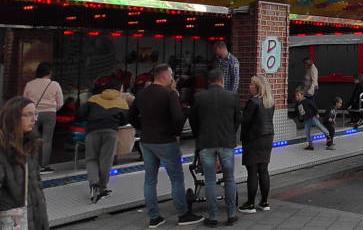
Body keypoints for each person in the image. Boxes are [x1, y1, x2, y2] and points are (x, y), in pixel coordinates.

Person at [129, 63, 203, 228]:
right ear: (163, 76)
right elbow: (178, 117)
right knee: (176, 179)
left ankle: (154, 217)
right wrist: (175, 133)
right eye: (170, 74)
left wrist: (143, 128)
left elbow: (131, 116)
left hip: (146, 141)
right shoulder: (169, 94)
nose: (172, 77)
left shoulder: (141, 94)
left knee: (150, 180)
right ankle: (183, 214)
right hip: (166, 141)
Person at [190, 69, 241, 227]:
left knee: (210, 180)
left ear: (209, 82)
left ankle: (213, 217)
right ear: (222, 80)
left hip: (206, 142)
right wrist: (231, 134)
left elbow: (192, 119)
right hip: (226, 142)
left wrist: (199, 135)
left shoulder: (199, 97)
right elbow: (237, 119)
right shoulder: (232, 96)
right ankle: (231, 214)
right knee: (229, 178)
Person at [76, 80, 129, 203]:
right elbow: (125, 121)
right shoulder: (122, 102)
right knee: (106, 160)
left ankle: (94, 184)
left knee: (91, 158)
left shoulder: (94, 98)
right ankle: (102, 188)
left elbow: (80, 114)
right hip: (111, 131)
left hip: (92, 131)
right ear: (119, 89)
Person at [0, 97, 49, 229]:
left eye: (35, 114)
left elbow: (37, 182)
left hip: (35, 215)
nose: (34, 119)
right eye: (28, 114)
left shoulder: (30, 144)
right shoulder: (3, 148)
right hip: (12, 219)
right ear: (13, 117)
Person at [238, 76, 275, 214]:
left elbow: (245, 121)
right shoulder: (270, 101)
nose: (249, 86)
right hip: (268, 137)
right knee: (263, 169)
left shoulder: (253, 102)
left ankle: (250, 204)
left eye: (252, 84)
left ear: (258, 87)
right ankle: (264, 202)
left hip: (254, 138)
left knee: (252, 171)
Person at [22, 62, 63, 174]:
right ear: (49, 72)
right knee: (47, 140)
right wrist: (53, 109)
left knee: (32, 139)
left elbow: (24, 100)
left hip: (33, 113)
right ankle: (45, 166)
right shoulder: (55, 84)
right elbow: (60, 102)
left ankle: (32, 164)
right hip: (50, 114)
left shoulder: (30, 84)